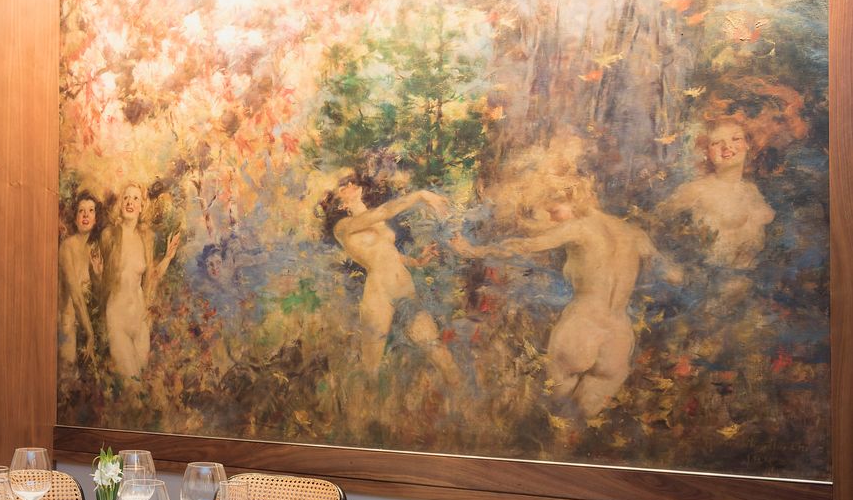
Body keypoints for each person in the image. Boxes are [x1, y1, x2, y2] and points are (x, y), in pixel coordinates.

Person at [454, 171, 682, 418]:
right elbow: (673, 275)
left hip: (581, 329)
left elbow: (523, 247)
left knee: (554, 415)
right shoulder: (635, 234)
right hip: (619, 337)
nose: (552, 219)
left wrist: (473, 251)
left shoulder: (578, 228)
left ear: (574, 201)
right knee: (580, 422)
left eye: (553, 211)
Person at [319, 171, 460, 385]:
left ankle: (464, 402)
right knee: (371, 368)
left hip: (404, 288)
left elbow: (388, 253)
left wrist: (417, 262)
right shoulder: (343, 228)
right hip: (379, 295)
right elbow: (384, 211)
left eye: (349, 182)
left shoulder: (375, 221)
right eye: (342, 188)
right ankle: (364, 413)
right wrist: (420, 195)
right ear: (340, 205)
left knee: (435, 347)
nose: (349, 184)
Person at [656, 115, 774, 270]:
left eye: (736, 139)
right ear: (706, 152)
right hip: (706, 282)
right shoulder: (695, 190)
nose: (727, 147)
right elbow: (657, 227)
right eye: (717, 143)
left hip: (750, 281)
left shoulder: (753, 192)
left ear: (748, 144)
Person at [100, 182, 180, 380]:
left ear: (142, 206)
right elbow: (99, 279)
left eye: (135, 198)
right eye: (126, 197)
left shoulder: (146, 238)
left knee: (141, 380)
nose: (130, 202)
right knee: (131, 380)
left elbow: (151, 277)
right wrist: (96, 272)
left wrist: (168, 257)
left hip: (140, 319)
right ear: (120, 204)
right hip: (117, 317)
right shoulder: (109, 235)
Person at [58, 193, 102, 376]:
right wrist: (90, 333)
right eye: (81, 211)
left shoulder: (92, 249)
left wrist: (99, 275)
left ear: (95, 218)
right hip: (66, 320)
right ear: (75, 218)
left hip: (83, 320)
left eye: (90, 211)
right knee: (68, 374)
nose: (86, 215)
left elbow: (99, 295)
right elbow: (75, 295)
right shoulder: (67, 246)